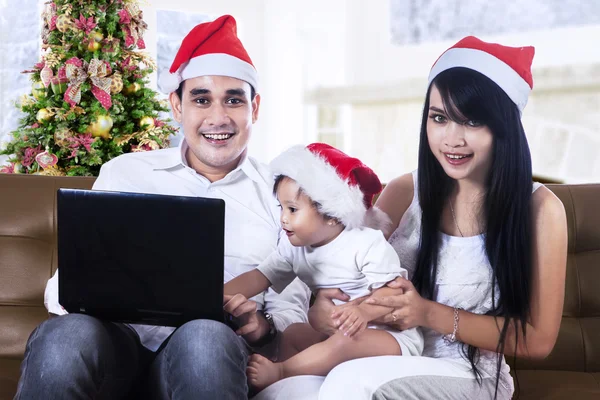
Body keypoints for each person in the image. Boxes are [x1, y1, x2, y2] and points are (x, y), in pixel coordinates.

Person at [255, 36, 568, 400]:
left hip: (468, 374)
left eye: (472, 122)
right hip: (385, 349)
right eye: (439, 118)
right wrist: (320, 312)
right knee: (283, 393)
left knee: (349, 385)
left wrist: (426, 313)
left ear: (504, 128)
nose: (451, 139)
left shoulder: (542, 210)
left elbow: (537, 340)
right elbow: (346, 268)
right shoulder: (405, 191)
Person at [15, 15, 311, 400]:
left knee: (204, 336)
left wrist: (263, 326)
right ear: (176, 105)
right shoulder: (125, 173)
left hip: (211, 354)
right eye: (201, 99)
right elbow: (62, 290)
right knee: (67, 333)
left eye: (234, 100)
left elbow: (292, 308)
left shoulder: (281, 196)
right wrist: (91, 294)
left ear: (254, 108)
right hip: (114, 348)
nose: (218, 118)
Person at [224, 143, 424, 392]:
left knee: (345, 341)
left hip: (389, 337)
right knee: (294, 334)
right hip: (338, 330)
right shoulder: (294, 247)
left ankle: (282, 371)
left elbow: (394, 294)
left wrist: (363, 312)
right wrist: (216, 295)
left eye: (293, 209)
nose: (283, 218)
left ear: (332, 214)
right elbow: (259, 276)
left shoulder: (365, 243)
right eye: (282, 208)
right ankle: (290, 383)